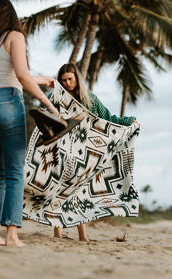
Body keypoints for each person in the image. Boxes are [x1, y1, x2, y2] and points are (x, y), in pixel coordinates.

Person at [0, 0, 58, 247]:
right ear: (11, 16)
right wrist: (48, 103)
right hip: (7, 103)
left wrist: (43, 79)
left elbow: (13, 73)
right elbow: (20, 75)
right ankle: (12, 235)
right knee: (14, 173)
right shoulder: (15, 36)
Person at [53, 63, 137, 241]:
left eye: (70, 79)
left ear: (77, 78)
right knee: (59, 191)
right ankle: (57, 233)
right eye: (63, 80)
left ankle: (82, 236)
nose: (67, 83)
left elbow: (108, 118)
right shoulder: (57, 99)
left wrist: (129, 120)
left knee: (77, 192)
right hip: (61, 149)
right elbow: (47, 116)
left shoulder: (90, 99)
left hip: (84, 152)